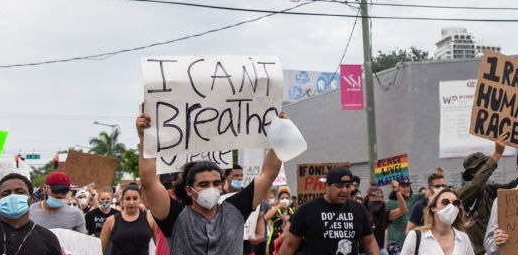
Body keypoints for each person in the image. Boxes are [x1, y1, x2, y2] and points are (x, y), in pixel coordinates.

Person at [135, 109, 285, 255]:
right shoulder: (173, 217)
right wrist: (145, 139)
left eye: (216, 183)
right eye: (204, 184)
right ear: (189, 190)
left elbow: (268, 174)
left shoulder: (235, 210)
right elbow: (149, 182)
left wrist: (280, 135)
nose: (211, 188)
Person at [278, 166, 379, 255]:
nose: (344, 190)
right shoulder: (307, 210)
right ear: (327, 186)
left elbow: (370, 242)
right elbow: (290, 245)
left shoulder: (359, 210)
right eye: (339, 186)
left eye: (348, 186)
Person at [456, 133, 510, 255]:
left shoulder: (491, 190)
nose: (488, 171)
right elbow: (476, 184)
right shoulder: (462, 194)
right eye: (483, 168)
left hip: (495, 250)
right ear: (472, 173)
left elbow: (513, 187)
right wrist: (497, 154)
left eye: (486, 166)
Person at [400, 187, 474, 255]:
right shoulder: (416, 237)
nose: (451, 206)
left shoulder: (463, 238)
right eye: (445, 202)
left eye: (456, 203)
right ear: (433, 207)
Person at [101, 184, 157, 255]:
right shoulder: (111, 221)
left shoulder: (150, 218)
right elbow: (99, 250)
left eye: (135, 198)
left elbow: (160, 245)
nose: (131, 202)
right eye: (128, 199)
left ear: (140, 199)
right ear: (122, 200)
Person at [365, 182, 407, 255]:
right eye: (374, 202)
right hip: (364, 252)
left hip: (380, 250)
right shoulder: (362, 213)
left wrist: (397, 191)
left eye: (379, 202)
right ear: (368, 200)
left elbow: (403, 210)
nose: (376, 205)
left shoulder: (385, 215)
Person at [385, 181, 425, 254]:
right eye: (403, 186)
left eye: (408, 186)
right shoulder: (389, 203)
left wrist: (440, 175)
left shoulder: (414, 197)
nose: (406, 188)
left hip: (411, 241)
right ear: (397, 187)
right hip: (395, 241)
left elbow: (432, 194)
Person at [406, 171, 446, 235]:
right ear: (429, 188)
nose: (441, 189)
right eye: (437, 186)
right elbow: (409, 230)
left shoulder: (449, 204)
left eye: (443, 186)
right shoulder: (420, 205)